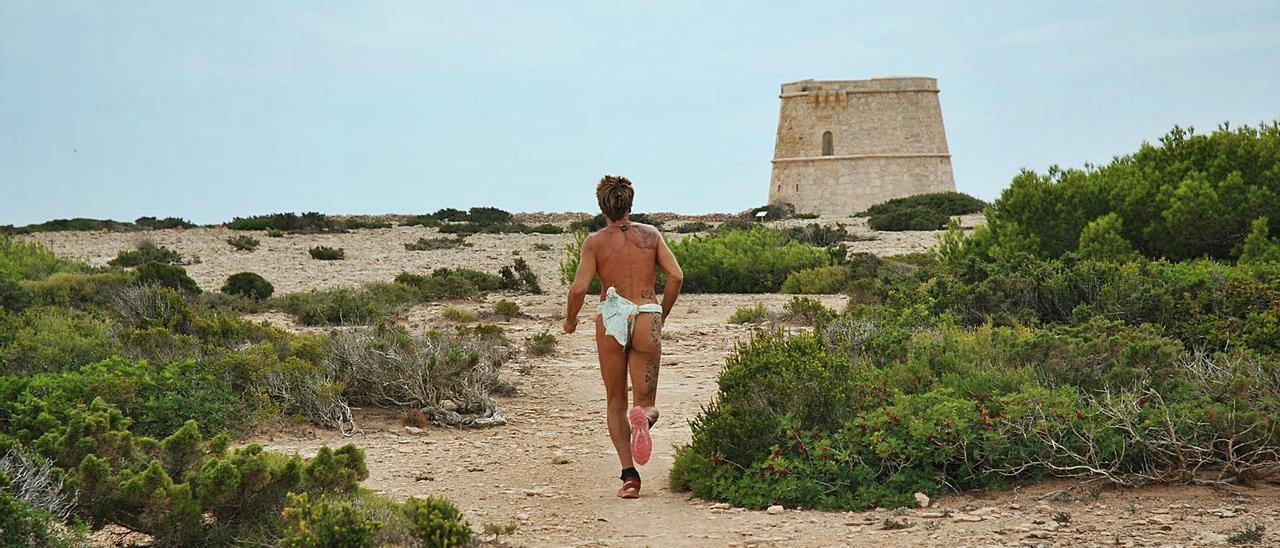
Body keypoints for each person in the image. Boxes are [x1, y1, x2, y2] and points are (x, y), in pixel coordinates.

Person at [563, 175, 684, 499]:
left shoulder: (594, 242)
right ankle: (643, 418)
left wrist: (570, 320)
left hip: (612, 315)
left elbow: (578, 288)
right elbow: (676, 276)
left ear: (602, 206)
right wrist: (662, 313)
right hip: (646, 311)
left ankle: (630, 477)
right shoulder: (651, 235)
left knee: (615, 401)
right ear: (631, 204)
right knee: (645, 403)